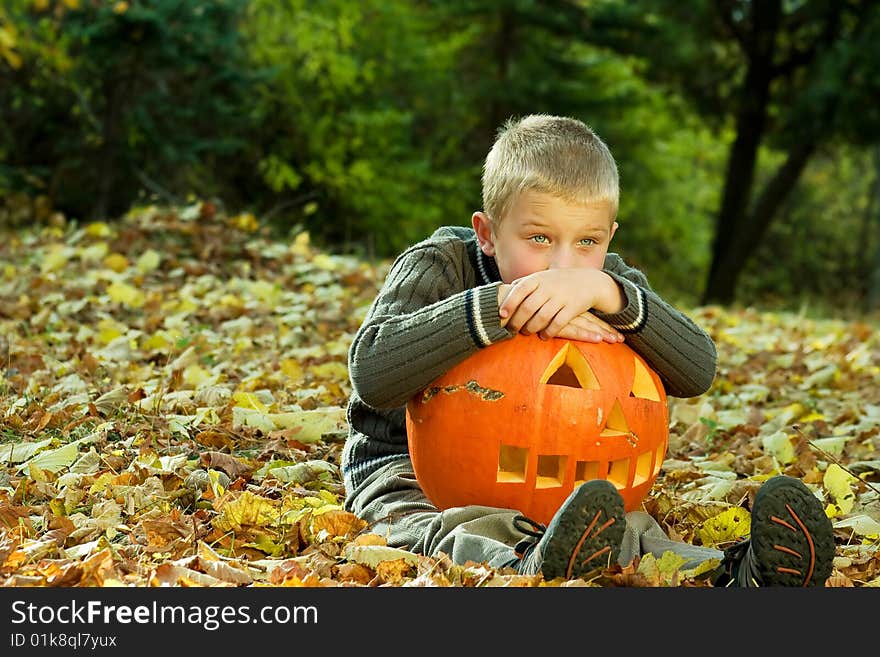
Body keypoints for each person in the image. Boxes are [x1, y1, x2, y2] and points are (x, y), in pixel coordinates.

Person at [341, 113, 835, 586]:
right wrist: (500, 305)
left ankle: (734, 572)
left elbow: (698, 370)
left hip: (577, 485)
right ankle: (524, 560)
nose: (564, 265)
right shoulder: (442, 265)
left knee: (632, 529)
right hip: (409, 470)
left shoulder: (607, 284)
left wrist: (615, 297)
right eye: (539, 238)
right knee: (439, 526)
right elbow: (372, 374)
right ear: (487, 233)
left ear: (610, 235)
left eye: (587, 242)